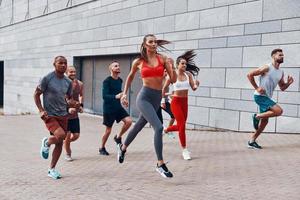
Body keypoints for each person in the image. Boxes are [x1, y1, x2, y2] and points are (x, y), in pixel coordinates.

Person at [119, 34, 177, 178]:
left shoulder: (162, 59)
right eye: (150, 42)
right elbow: (130, 77)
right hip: (144, 97)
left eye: (155, 42)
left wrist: (171, 67)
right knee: (158, 127)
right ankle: (160, 164)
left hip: (157, 98)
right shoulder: (138, 61)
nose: (153, 44)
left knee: (138, 125)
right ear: (145, 44)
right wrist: (124, 93)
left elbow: (173, 79)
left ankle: (123, 147)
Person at [34, 56, 80, 179]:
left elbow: (68, 99)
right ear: (54, 64)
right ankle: (47, 142)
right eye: (60, 63)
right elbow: (36, 94)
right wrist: (41, 110)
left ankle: (51, 169)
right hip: (49, 115)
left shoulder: (68, 82)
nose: (63, 65)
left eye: (65, 63)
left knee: (59, 143)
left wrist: (74, 103)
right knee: (61, 136)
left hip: (63, 115)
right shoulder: (47, 78)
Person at [247, 48, 293, 149]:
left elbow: (282, 87)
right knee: (279, 111)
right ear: (273, 56)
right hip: (260, 96)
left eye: (282, 55)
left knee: (265, 122)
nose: (282, 57)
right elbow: (250, 74)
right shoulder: (267, 67)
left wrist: (288, 83)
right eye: (280, 55)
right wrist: (257, 88)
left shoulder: (281, 72)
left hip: (267, 97)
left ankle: (251, 141)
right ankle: (256, 116)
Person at [163, 50, 200, 160]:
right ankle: (184, 150)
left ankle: (165, 130)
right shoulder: (172, 75)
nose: (184, 65)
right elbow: (164, 89)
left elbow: (193, 88)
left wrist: (197, 85)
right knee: (182, 126)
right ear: (177, 64)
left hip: (185, 102)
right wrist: (163, 101)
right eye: (182, 63)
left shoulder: (188, 75)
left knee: (181, 126)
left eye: (185, 63)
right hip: (176, 102)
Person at [100, 61, 132, 156]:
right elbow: (104, 96)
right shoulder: (107, 81)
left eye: (118, 65)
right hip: (109, 108)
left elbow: (120, 93)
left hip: (118, 107)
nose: (118, 67)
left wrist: (123, 99)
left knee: (129, 121)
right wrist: (116, 97)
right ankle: (101, 147)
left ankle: (118, 137)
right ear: (111, 69)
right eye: (116, 66)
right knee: (108, 130)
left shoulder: (120, 80)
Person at [64, 66, 84, 161]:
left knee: (76, 136)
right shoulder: (63, 84)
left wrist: (80, 106)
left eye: (74, 72)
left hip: (74, 115)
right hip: (65, 114)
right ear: (66, 73)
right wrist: (67, 109)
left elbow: (80, 96)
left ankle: (65, 143)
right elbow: (61, 99)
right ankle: (68, 153)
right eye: (70, 72)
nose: (73, 73)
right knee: (67, 135)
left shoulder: (79, 84)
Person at [157, 70, 176, 138]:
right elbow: (158, 92)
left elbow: (174, 87)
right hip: (157, 103)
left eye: (166, 71)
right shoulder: (157, 81)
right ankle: (160, 136)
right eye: (164, 71)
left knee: (174, 115)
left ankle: (168, 130)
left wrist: (172, 94)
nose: (166, 72)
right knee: (160, 121)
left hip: (165, 101)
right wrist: (169, 94)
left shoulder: (168, 79)